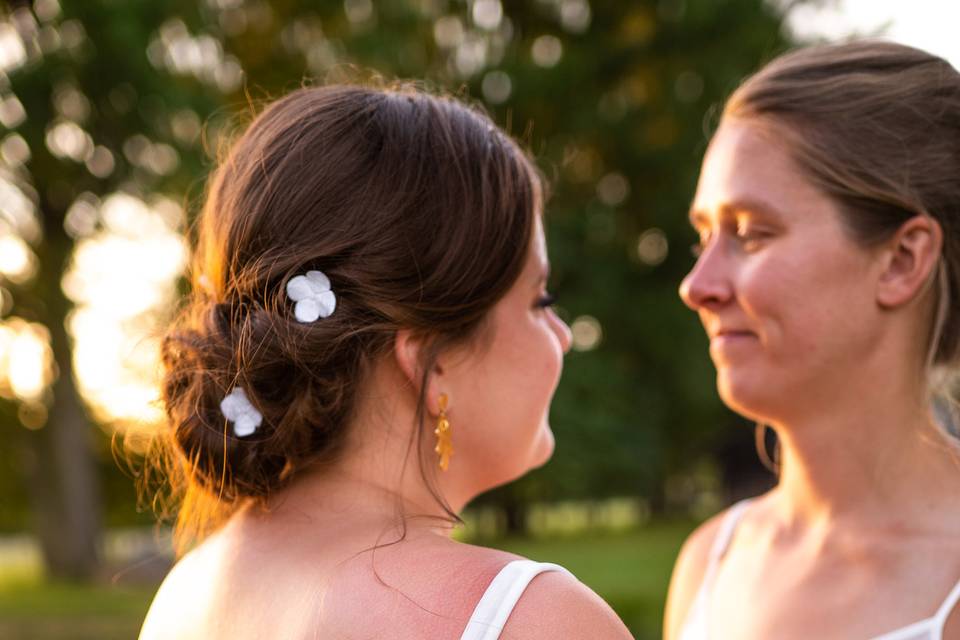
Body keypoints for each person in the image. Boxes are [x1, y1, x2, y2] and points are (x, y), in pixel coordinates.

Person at [137, 84, 633, 639]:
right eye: (540, 301)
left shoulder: (186, 592)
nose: (562, 337)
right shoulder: (529, 620)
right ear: (428, 358)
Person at [664, 40, 960, 640]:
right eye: (704, 239)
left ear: (902, 260)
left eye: (750, 233)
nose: (697, 286)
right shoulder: (709, 563)